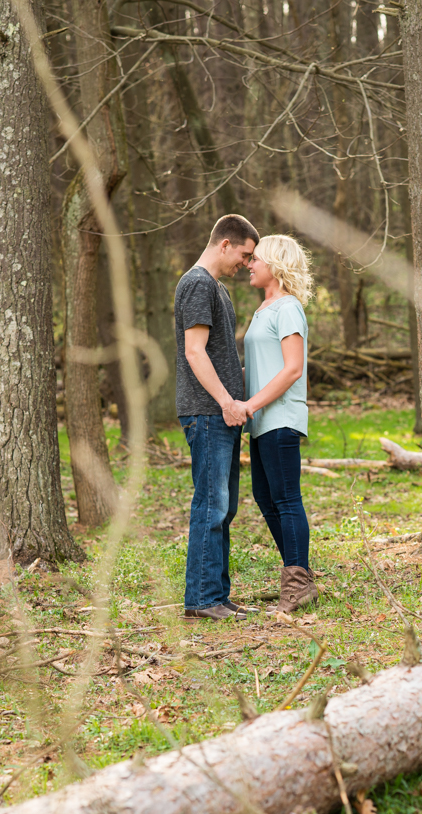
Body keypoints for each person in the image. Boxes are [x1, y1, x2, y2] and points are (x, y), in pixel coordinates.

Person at [174, 214, 259, 621]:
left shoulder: (217, 288)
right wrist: (227, 401)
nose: (247, 263)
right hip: (207, 412)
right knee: (211, 505)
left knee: (224, 508)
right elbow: (195, 351)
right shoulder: (197, 284)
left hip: (221, 414)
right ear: (225, 243)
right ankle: (201, 600)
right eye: (245, 254)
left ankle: (216, 596)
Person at [244, 234, 319, 613]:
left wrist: (250, 404)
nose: (249, 264)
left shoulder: (288, 308)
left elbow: (292, 369)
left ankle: (297, 583)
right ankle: (298, 571)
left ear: (275, 263)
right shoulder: (265, 308)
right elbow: (265, 365)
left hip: (280, 417)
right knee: (265, 497)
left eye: (256, 258)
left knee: (287, 500)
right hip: (261, 419)